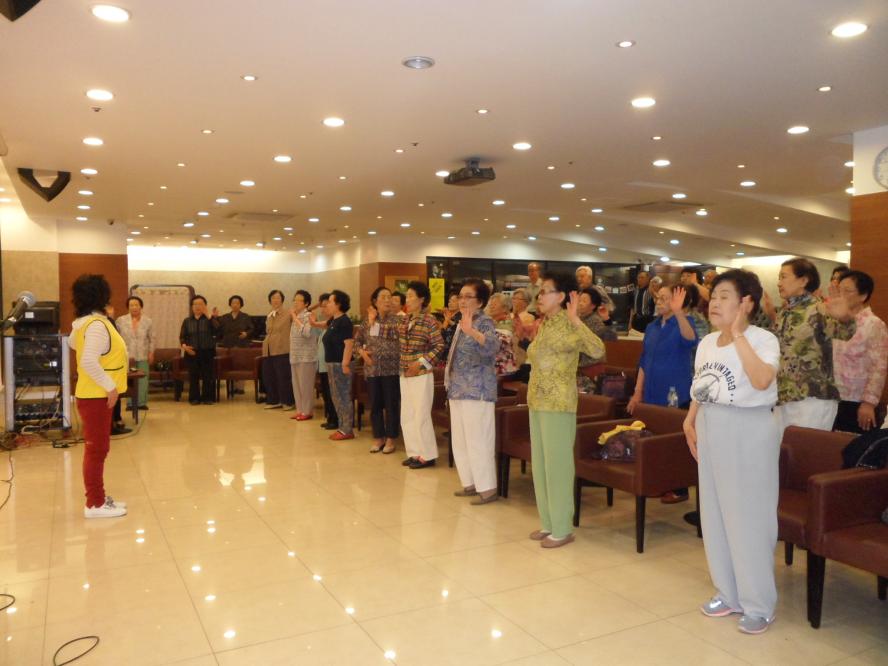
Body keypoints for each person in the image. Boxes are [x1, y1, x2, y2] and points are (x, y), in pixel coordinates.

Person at [684, 269, 781, 635]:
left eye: (724, 296)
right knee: (715, 513)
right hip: (711, 423)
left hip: (748, 426)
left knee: (749, 517)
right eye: (713, 296)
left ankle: (759, 604)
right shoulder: (707, 342)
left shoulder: (763, 339)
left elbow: (761, 380)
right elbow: (701, 386)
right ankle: (729, 593)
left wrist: (738, 335)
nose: (714, 302)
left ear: (746, 303)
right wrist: (690, 420)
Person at [527, 273, 605, 548]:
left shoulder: (571, 323)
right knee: (541, 465)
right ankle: (548, 522)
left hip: (559, 403)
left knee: (558, 466)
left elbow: (598, 350)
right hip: (537, 401)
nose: (540, 296)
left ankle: (562, 528)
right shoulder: (545, 324)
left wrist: (575, 320)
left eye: (545, 291)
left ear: (561, 296)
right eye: (539, 291)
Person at [70, 275, 129, 518]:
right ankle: (94, 504)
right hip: (96, 396)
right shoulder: (96, 325)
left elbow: (74, 345)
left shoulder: (83, 323)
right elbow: (87, 361)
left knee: (98, 449)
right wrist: (110, 386)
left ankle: (99, 498)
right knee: (96, 450)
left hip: (92, 394)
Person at [773, 258, 855, 431]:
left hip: (813, 398)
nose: (779, 283)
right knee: (780, 447)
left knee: (806, 447)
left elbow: (845, 333)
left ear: (803, 280)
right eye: (779, 278)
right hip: (784, 396)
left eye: (783, 277)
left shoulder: (819, 308)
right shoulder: (784, 312)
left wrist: (845, 317)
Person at [446, 278, 500, 504]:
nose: (462, 300)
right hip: (457, 388)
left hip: (477, 390)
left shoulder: (485, 321)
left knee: (478, 440)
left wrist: (472, 332)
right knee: (460, 440)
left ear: (480, 301)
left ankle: (487, 488)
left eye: (468, 297)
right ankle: (470, 483)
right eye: (460, 296)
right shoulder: (462, 321)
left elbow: (493, 347)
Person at [628, 284, 699, 414]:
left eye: (664, 298)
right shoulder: (651, 327)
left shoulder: (685, 322)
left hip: (675, 394)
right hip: (650, 392)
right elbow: (644, 360)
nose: (658, 302)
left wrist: (678, 312)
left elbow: (690, 340)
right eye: (657, 298)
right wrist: (638, 391)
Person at [832, 270, 888, 433]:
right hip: (831, 397)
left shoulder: (874, 324)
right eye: (839, 290)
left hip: (855, 400)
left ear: (863, 296)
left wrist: (868, 403)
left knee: (851, 445)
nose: (841, 295)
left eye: (847, 291)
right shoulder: (834, 321)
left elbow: (879, 367)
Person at [398, 281, 445, 469]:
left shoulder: (429, 320)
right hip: (405, 372)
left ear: (422, 299)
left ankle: (428, 454)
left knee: (421, 414)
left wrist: (420, 363)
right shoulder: (404, 320)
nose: (407, 300)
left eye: (411, 296)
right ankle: (414, 452)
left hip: (421, 373)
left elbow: (439, 346)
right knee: (407, 414)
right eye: (407, 296)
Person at [355, 287, 401, 453]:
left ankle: (391, 438)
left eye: (389, 297)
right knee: (374, 405)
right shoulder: (366, 321)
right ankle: (378, 437)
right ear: (375, 301)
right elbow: (357, 342)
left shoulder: (397, 320)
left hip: (392, 369)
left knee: (391, 405)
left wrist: (374, 322)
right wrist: (362, 354)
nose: (387, 300)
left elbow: (394, 335)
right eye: (383, 297)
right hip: (372, 369)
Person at [318, 289, 355, 440]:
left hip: (341, 364)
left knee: (342, 396)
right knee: (336, 397)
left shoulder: (344, 321)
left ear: (338, 304)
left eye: (330, 302)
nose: (328, 304)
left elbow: (349, 344)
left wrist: (345, 364)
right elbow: (322, 325)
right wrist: (312, 322)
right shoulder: (334, 320)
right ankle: (342, 427)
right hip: (332, 364)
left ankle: (347, 430)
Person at [114, 296, 154, 411]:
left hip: (143, 354)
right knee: (129, 379)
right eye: (131, 305)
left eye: (136, 305)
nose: (134, 307)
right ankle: (130, 403)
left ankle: (141, 403)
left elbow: (152, 338)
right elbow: (117, 338)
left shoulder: (148, 321)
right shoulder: (120, 320)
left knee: (143, 379)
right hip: (127, 355)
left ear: (141, 307)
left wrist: (151, 352)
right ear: (128, 307)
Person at [179, 295, 219, 405]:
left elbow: (218, 330)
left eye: (200, 304)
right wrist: (184, 346)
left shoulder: (210, 319)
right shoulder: (187, 321)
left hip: (207, 351)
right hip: (192, 352)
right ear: (192, 307)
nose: (197, 306)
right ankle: (194, 398)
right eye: (195, 304)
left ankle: (208, 398)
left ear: (205, 306)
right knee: (193, 376)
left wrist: (209, 316)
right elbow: (182, 337)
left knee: (208, 376)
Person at [262, 289, 295, 411]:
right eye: (273, 298)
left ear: (282, 300)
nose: (275, 300)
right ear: (270, 300)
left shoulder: (288, 313)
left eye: (278, 297)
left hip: (282, 349)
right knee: (269, 376)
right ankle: (274, 400)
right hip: (268, 349)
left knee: (283, 377)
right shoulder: (270, 314)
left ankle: (287, 401)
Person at [288, 290, 319, 421]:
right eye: (294, 300)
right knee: (296, 385)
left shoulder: (309, 315)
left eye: (299, 300)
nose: (295, 302)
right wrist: (295, 317)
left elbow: (307, 333)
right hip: (295, 355)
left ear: (306, 303)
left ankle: (307, 411)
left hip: (307, 357)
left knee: (306, 386)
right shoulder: (297, 315)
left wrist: (295, 318)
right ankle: (300, 410)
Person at [310, 293, 339, 430]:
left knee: (332, 394)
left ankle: (335, 420)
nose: (323, 309)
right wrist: (313, 322)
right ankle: (330, 418)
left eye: (325, 305)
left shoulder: (335, 323)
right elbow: (315, 334)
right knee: (326, 394)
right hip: (322, 364)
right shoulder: (325, 324)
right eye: (321, 306)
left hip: (331, 364)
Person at [217, 295, 254, 394]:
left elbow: (251, 329)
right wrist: (214, 318)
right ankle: (231, 388)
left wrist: (246, 333)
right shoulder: (225, 317)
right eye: (233, 302)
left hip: (241, 344)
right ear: (230, 304)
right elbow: (218, 329)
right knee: (229, 365)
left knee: (241, 365)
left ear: (241, 304)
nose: (235, 305)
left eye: (237, 303)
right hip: (228, 344)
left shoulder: (245, 316)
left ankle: (240, 388)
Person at [104, 304, 131, 435]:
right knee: (113, 395)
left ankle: (115, 420)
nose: (110, 311)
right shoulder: (105, 322)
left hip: (114, 364)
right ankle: (112, 424)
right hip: (110, 365)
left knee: (116, 394)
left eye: (111, 308)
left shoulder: (109, 321)